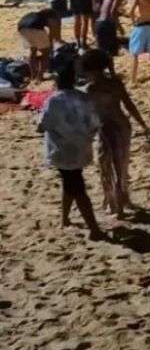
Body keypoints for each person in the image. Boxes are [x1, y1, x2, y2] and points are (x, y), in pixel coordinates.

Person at [37, 64, 104, 240]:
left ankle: (94, 229)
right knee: (71, 182)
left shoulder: (54, 100)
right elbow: (96, 123)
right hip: (81, 149)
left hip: (62, 151)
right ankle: (65, 218)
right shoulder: (84, 98)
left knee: (75, 187)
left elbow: (42, 124)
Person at [81, 50, 148, 217]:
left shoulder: (89, 89)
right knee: (121, 165)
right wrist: (143, 125)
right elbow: (129, 105)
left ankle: (113, 204)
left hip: (103, 128)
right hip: (121, 126)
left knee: (106, 167)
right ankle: (122, 200)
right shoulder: (116, 83)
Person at [17, 7, 61, 79]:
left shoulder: (33, 14)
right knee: (46, 54)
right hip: (35, 28)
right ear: (50, 17)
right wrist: (49, 46)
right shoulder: (48, 18)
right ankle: (40, 76)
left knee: (33, 51)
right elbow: (51, 32)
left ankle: (33, 75)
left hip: (21, 28)